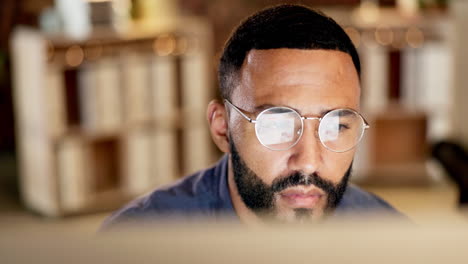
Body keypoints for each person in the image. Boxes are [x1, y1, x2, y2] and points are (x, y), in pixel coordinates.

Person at [103, 4, 402, 228]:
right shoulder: (139, 242)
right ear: (222, 129)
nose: (309, 161)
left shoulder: (388, 236)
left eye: (336, 125)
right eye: (277, 124)